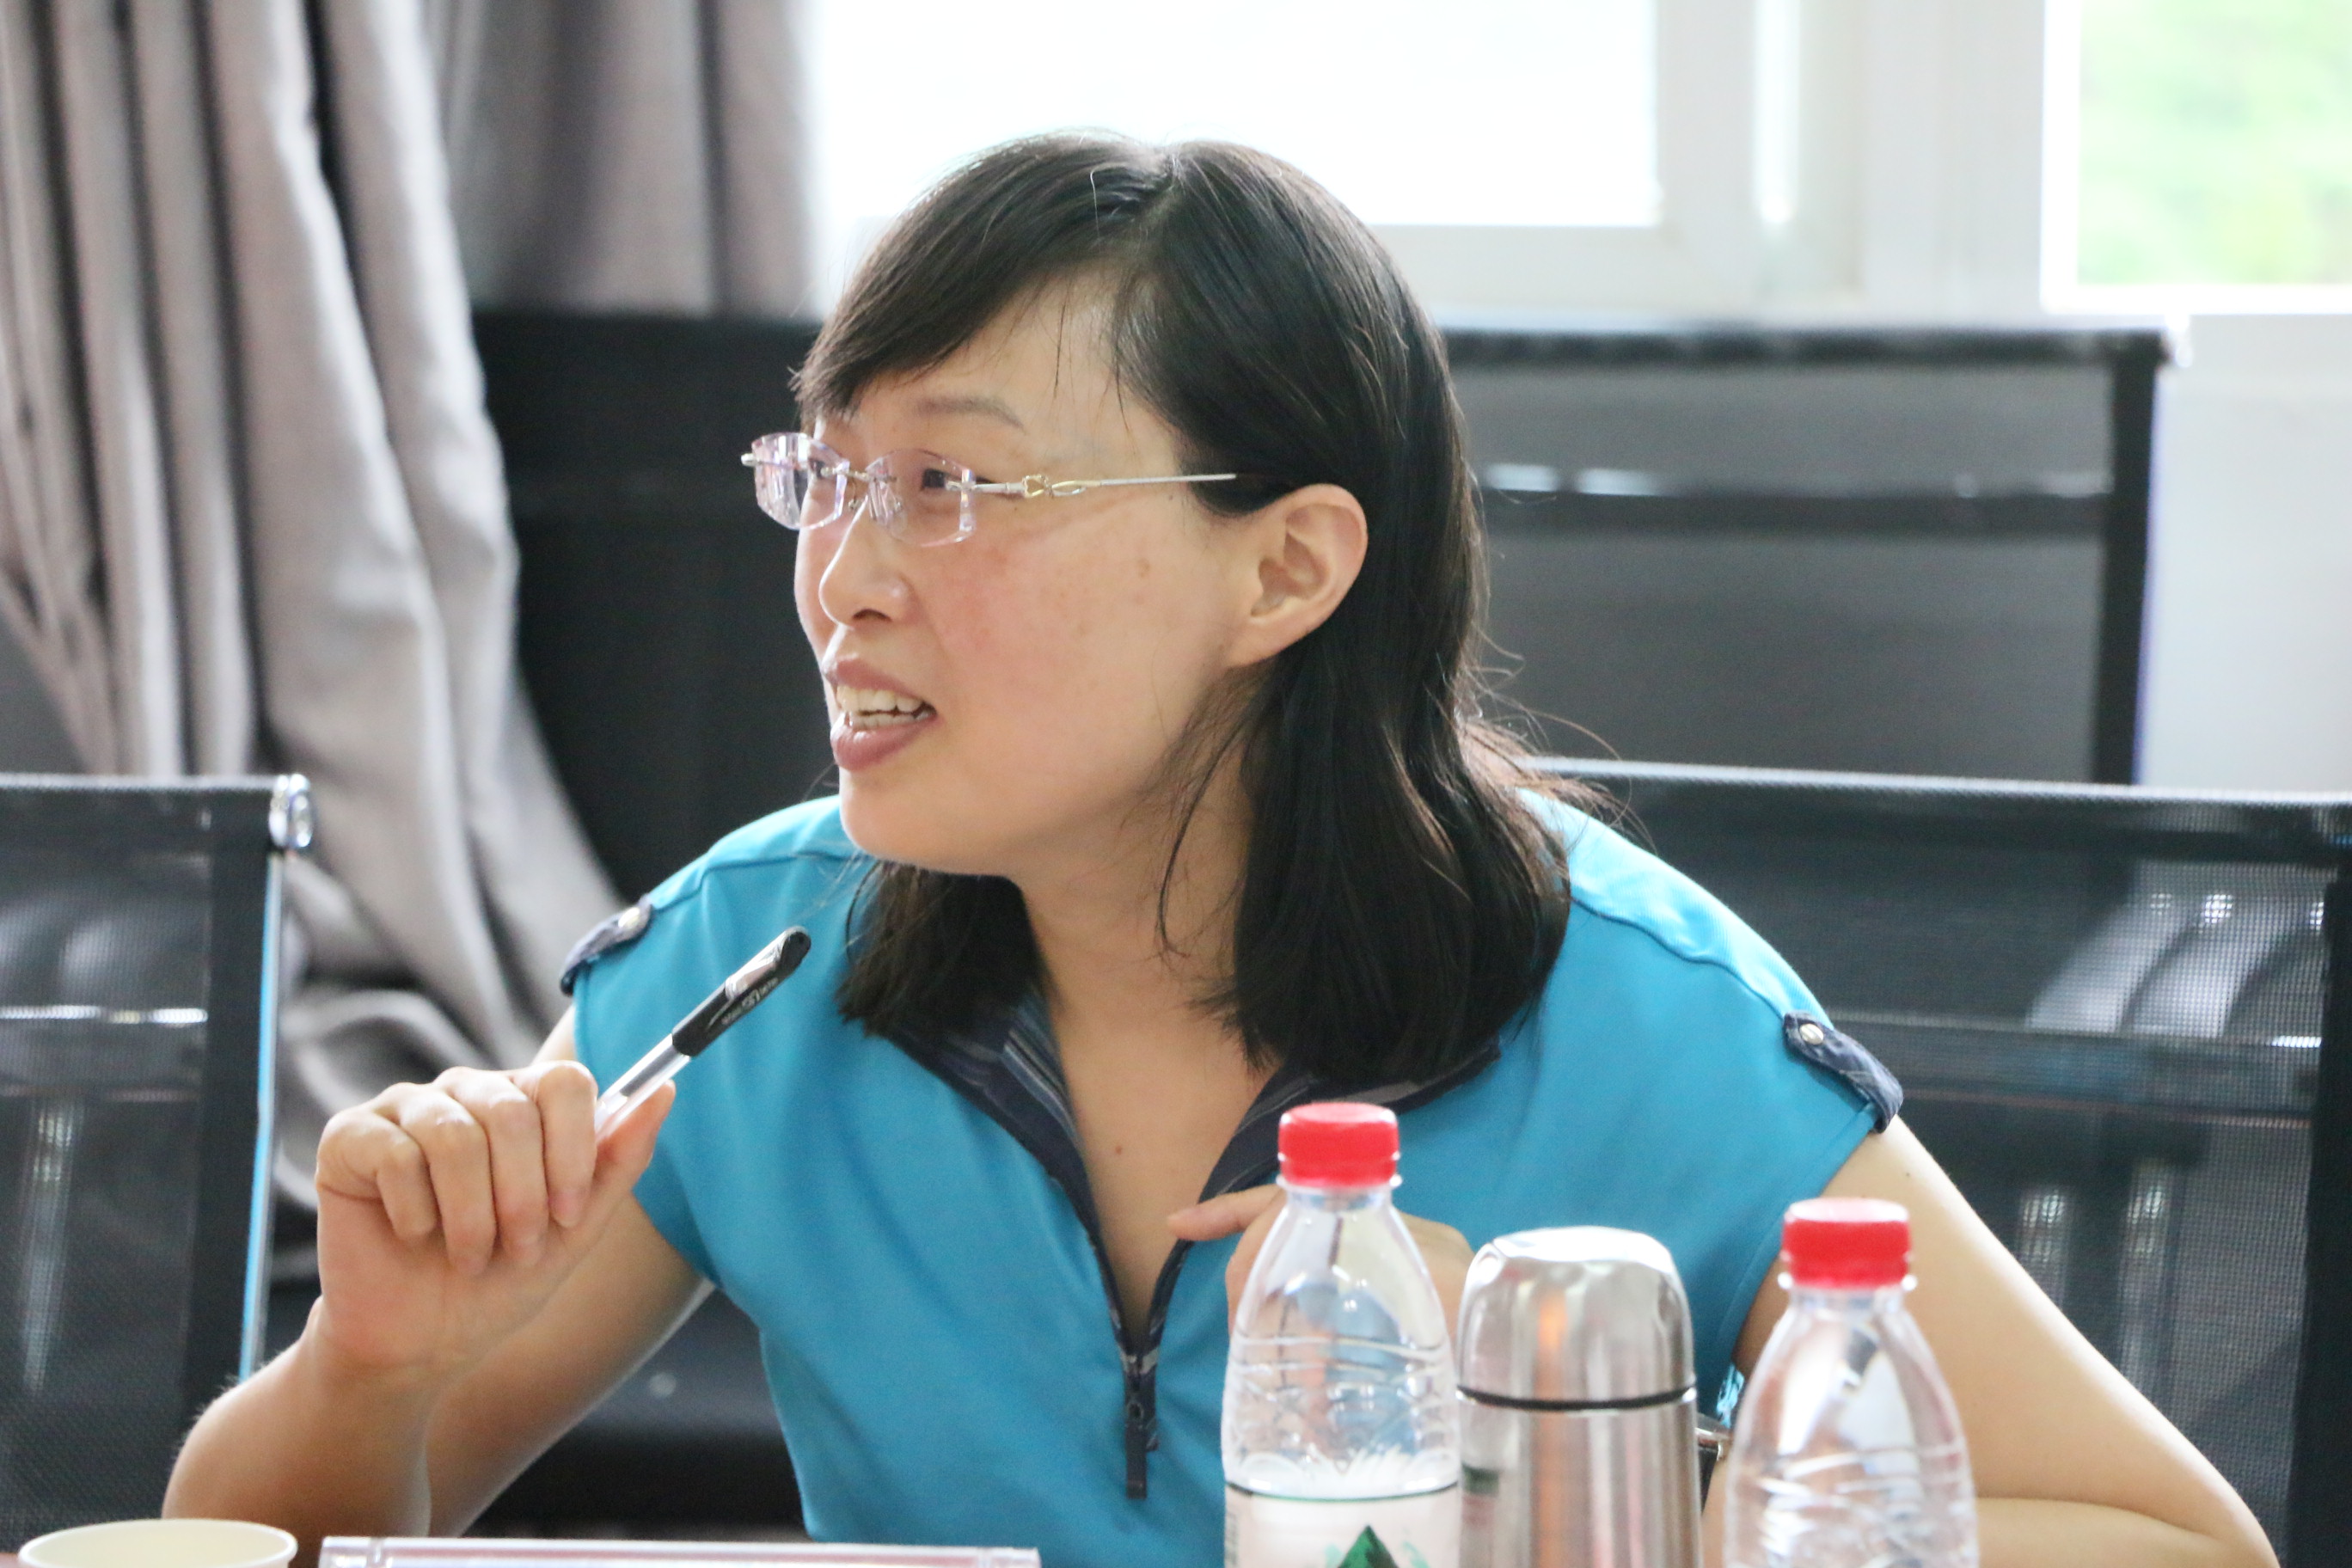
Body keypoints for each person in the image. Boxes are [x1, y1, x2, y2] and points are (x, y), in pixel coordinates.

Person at [167, 135, 2274, 1568]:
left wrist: (1590, 1463)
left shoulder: (1633, 1013)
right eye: (833, 476)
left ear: (1284, 570)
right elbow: (243, 1542)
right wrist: (373, 1368)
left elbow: (2173, 1541)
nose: (843, 580)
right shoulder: (751, 975)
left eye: (954, 491)